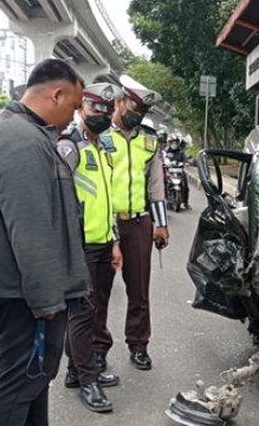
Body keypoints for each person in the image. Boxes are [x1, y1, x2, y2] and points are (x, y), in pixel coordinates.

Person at [0, 59, 87, 426]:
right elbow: (29, 227)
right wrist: (47, 299)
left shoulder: (26, 131)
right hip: (25, 295)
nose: (76, 115)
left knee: (35, 380)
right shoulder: (19, 138)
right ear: (57, 94)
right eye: (75, 105)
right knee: (19, 383)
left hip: (28, 292)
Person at [91, 75, 168, 371]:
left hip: (138, 224)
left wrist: (160, 225)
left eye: (143, 112)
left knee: (139, 289)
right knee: (99, 290)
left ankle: (138, 344)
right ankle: (97, 347)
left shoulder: (149, 140)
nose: (137, 115)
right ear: (120, 102)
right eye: (133, 108)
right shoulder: (101, 136)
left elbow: (156, 185)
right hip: (104, 222)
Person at [56, 83, 124, 412]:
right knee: (82, 313)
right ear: (83, 108)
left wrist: (114, 241)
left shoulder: (103, 146)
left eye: (108, 110)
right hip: (80, 245)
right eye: (97, 108)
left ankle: (74, 370)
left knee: (93, 310)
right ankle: (88, 380)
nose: (103, 115)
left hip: (102, 243)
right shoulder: (70, 146)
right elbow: (58, 198)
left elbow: (107, 200)